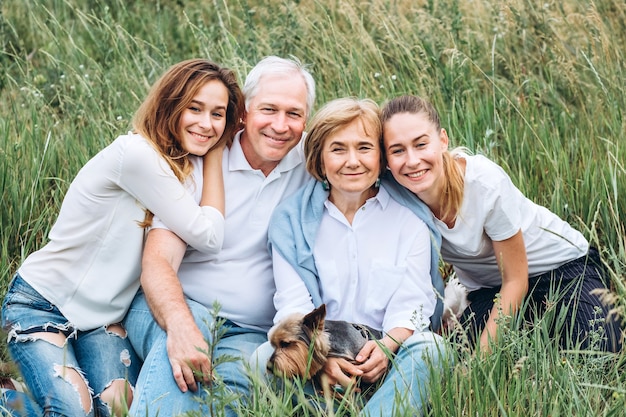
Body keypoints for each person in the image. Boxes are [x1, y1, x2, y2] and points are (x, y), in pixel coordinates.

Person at [1, 58, 244, 416]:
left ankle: (25, 390)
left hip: (104, 321)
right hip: (43, 303)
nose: (206, 124)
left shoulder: (184, 166)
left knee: (119, 410)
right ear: (170, 104)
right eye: (195, 108)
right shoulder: (137, 155)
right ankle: (9, 400)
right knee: (73, 411)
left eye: (218, 114)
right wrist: (218, 154)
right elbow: (209, 236)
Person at [122, 55, 316, 416]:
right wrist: (180, 326)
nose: (280, 125)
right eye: (269, 109)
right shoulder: (203, 158)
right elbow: (158, 260)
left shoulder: (314, 163)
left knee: (227, 395)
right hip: (176, 306)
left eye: (294, 114)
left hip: (250, 330)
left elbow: (376, 155)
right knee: (182, 365)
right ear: (243, 112)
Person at [380, 94, 623, 353]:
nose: (412, 160)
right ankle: (507, 312)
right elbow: (343, 184)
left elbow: (516, 281)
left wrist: (480, 365)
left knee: (600, 349)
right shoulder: (396, 192)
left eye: (420, 144)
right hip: (489, 288)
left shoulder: (485, 184)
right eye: (397, 150)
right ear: (386, 159)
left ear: (442, 140)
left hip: (561, 270)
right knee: (455, 354)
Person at [255, 97, 448, 416]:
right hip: (319, 355)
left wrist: (387, 347)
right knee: (262, 358)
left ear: (381, 156)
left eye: (364, 148)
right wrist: (320, 362)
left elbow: (414, 302)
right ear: (319, 156)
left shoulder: (409, 218)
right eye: (338, 149)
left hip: (389, 354)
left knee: (433, 351)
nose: (352, 161)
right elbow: (293, 304)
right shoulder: (291, 222)